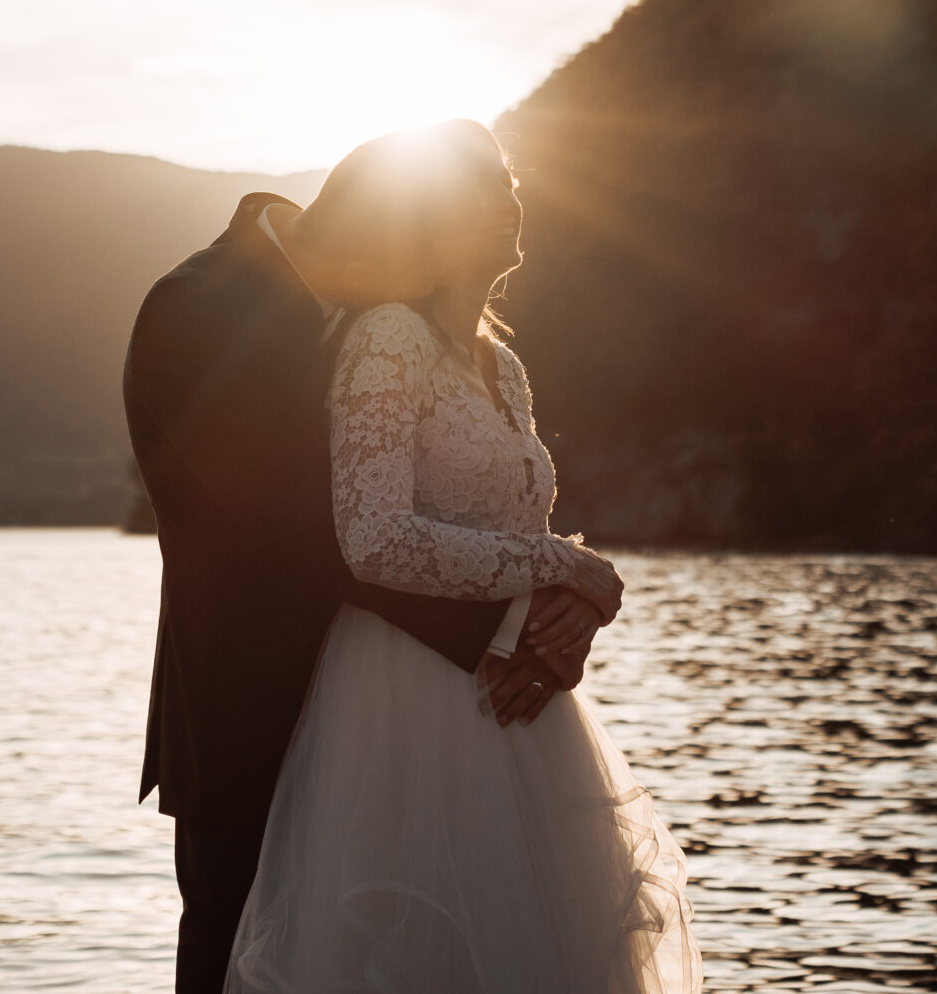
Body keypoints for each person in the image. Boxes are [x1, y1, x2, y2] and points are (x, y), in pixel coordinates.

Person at [224, 121, 700, 994]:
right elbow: (372, 539)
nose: (508, 199)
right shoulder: (387, 339)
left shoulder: (505, 365)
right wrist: (566, 565)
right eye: (482, 186)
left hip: (520, 702)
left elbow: (507, 535)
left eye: (509, 182)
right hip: (408, 702)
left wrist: (571, 597)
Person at [122, 151, 599, 994]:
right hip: (250, 706)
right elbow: (303, 529)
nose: (411, 284)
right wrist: (523, 612)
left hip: (405, 703)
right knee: (242, 959)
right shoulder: (193, 306)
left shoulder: (366, 311)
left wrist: (548, 614)